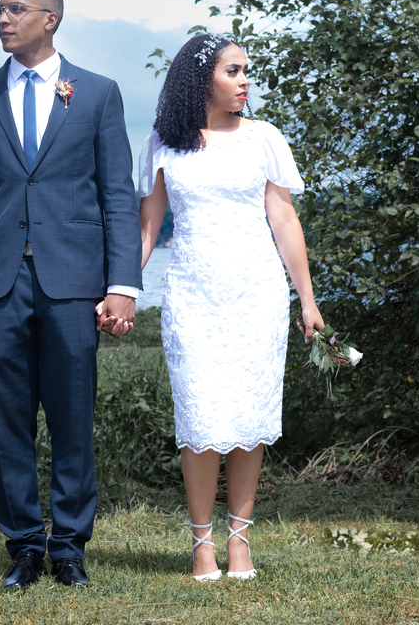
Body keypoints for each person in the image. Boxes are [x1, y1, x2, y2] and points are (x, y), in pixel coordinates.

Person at [0, 0, 142, 590]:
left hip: (75, 280)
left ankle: (70, 547)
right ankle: (23, 546)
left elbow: (117, 198)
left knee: (73, 418)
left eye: (14, 9)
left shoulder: (99, 94)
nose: (2, 19)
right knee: (8, 423)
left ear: (49, 19)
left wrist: (122, 283)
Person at [137, 33, 323, 582]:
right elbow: (148, 226)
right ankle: (201, 545)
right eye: (233, 71)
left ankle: (239, 542)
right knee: (198, 416)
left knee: (249, 417)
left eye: (247, 72)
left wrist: (307, 300)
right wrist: (120, 287)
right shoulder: (162, 144)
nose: (245, 82)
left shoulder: (264, 138)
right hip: (192, 293)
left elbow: (284, 220)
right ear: (201, 80)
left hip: (256, 291)